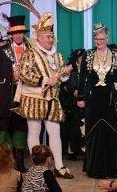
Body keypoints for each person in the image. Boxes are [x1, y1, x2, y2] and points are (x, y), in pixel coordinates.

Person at [18, 13, 73, 179]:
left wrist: (64, 74)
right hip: (34, 98)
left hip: (52, 98)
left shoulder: (58, 55)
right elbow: (24, 74)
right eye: (48, 36)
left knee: (55, 132)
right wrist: (44, 80)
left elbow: (61, 75)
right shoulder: (29, 53)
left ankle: (59, 166)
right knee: (34, 131)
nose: (51, 39)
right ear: (39, 38)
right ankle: (37, 167)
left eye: (52, 36)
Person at [78, 23, 117, 179]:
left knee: (111, 133)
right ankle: (93, 168)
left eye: (101, 39)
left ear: (107, 38)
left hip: (111, 99)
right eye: (96, 39)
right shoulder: (88, 55)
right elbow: (82, 78)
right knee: (93, 133)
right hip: (92, 99)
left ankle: (112, 169)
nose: (99, 41)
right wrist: (80, 97)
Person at [0, 14, 31, 171]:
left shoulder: (31, 51)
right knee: (3, 128)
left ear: (24, 34)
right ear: (11, 35)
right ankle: (1, 164)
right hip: (5, 95)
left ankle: (19, 163)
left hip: (24, 95)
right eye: (15, 33)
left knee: (20, 128)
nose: (18, 35)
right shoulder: (2, 51)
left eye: (20, 32)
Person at [59, 49, 84, 162]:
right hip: (72, 105)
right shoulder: (71, 73)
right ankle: (72, 151)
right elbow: (70, 90)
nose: (83, 60)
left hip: (85, 104)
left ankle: (82, 149)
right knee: (73, 128)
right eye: (81, 58)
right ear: (76, 61)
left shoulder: (88, 72)